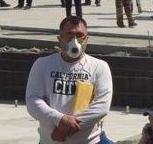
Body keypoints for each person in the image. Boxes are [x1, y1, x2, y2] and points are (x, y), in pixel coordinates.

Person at [25, 16, 112, 144]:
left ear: (86, 40)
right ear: (60, 39)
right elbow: (33, 101)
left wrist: (65, 129)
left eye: (79, 35)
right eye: (69, 35)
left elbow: (102, 106)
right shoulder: (42, 64)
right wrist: (59, 120)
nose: (74, 40)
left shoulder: (99, 67)